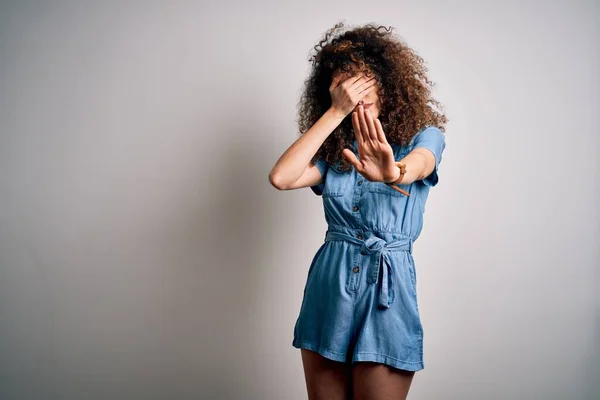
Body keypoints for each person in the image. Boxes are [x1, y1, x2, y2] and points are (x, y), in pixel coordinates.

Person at [269, 22, 448, 400]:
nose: (353, 91)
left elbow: (421, 163)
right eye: (341, 84)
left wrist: (392, 171)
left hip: (388, 290)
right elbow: (282, 178)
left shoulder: (422, 135)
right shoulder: (336, 152)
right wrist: (335, 114)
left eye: (362, 80)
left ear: (386, 82)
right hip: (330, 285)